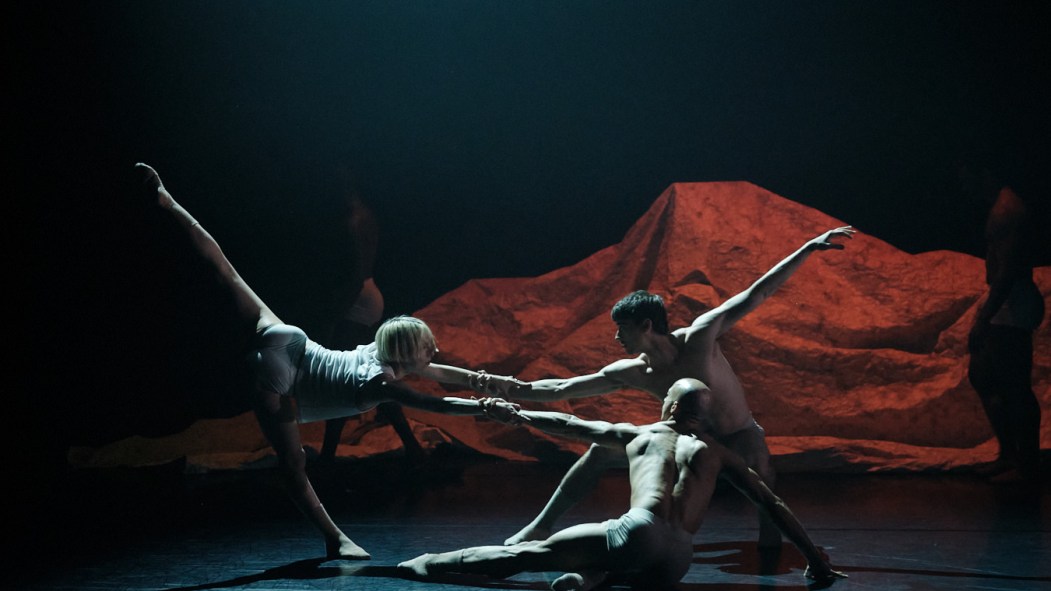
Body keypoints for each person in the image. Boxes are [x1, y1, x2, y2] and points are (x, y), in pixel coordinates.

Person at [133, 163, 521, 559]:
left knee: (227, 273)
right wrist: (485, 408)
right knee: (292, 463)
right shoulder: (379, 381)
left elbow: (437, 373)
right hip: (279, 372)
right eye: (426, 348)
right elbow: (434, 402)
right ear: (406, 355)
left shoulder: (381, 352)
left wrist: (488, 383)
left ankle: (168, 201)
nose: (433, 353)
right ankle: (336, 539)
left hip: (292, 339)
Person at [477, 226, 855, 547]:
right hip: (685, 439)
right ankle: (541, 525)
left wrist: (806, 248)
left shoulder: (701, 336)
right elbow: (562, 389)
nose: (615, 338)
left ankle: (771, 549)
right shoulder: (632, 370)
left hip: (738, 435)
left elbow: (758, 293)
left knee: (762, 479)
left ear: (645, 326)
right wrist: (507, 389)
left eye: (621, 329)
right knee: (598, 452)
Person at [399, 378, 846, 590]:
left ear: (668, 404)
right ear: (702, 416)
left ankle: (429, 563)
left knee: (524, 556)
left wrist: (515, 413)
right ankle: (587, 580)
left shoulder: (642, 434)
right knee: (615, 568)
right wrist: (816, 562)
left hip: (638, 531)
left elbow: (571, 425)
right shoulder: (720, 454)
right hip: (678, 559)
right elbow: (773, 504)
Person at [317, 186, 425, 463]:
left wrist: (336, 313)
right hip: (366, 292)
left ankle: (327, 457)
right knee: (367, 377)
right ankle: (412, 447)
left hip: (357, 297)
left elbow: (354, 271)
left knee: (346, 380)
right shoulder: (366, 215)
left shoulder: (352, 220)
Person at [962, 163, 1045, 483]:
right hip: (1007, 299)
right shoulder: (1001, 207)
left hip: (1013, 298)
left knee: (1015, 386)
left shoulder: (1008, 210)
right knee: (982, 374)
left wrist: (985, 316)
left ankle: (1026, 465)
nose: (964, 185)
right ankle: (1010, 454)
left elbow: (1008, 270)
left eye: (966, 176)